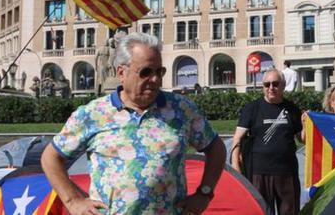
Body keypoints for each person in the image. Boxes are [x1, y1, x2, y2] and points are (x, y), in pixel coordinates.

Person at [41, 32, 225, 215]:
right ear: (122, 72)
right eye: (146, 72)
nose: (155, 79)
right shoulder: (92, 114)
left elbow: (215, 147)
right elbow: (51, 158)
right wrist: (73, 201)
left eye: (159, 71)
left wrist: (204, 193)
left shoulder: (182, 109)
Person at [230, 69, 302, 215]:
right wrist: (236, 167)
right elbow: (238, 138)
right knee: (260, 212)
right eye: (267, 84)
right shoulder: (251, 108)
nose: (271, 88)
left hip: (287, 171)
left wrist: (307, 124)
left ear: (283, 85)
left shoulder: (292, 109)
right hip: (258, 172)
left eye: (275, 84)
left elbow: (302, 138)